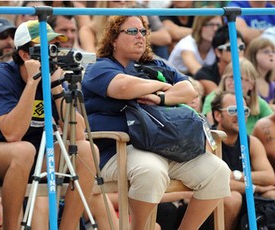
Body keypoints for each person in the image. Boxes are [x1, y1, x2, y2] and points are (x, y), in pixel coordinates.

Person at [82, 15, 231, 230]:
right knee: (150, 171)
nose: (140, 36)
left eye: (143, 31)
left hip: (166, 145)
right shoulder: (100, 67)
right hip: (120, 149)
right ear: (114, 39)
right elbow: (122, 87)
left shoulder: (156, 64)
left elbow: (189, 90)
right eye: (132, 31)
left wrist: (161, 98)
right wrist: (160, 86)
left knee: (218, 172)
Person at [0, 20, 97, 230]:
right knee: (23, 150)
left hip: (36, 154)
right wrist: (32, 83)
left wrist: (57, 87)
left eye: (54, 48)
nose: (52, 55)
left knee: (87, 150)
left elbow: (78, 135)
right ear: (24, 54)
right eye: (45, 49)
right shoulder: (0, 76)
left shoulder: (54, 76)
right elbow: (12, 134)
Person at [211, 91, 275, 230]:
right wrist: (255, 187)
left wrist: (237, 175)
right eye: (233, 110)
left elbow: (269, 177)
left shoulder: (251, 142)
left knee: (272, 194)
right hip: (212, 201)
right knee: (232, 198)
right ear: (217, 115)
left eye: (244, 111)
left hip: (244, 195)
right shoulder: (209, 139)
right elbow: (217, 182)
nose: (240, 114)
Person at [202, 58, 273, 134]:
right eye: (231, 77)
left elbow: (273, 123)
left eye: (240, 79)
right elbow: (211, 125)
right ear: (224, 79)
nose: (234, 82)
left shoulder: (259, 102)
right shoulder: (213, 97)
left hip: (251, 144)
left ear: (251, 84)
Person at [194, 25, 245, 96]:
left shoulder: (248, 72)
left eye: (241, 47)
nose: (238, 51)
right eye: (231, 48)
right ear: (218, 52)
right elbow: (220, 98)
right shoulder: (204, 75)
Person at [168, 12, 223, 76]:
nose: (215, 29)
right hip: (174, 80)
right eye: (210, 24)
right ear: (199, 26)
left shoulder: (218, 45)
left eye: (218, 25)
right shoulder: (187, 44)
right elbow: (196, 71)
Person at [245, 36, 275, 110]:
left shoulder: (273, 86)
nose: (271, 55)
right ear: (253, 55)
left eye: (273, 52)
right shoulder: (247, 83)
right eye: (266, 51)